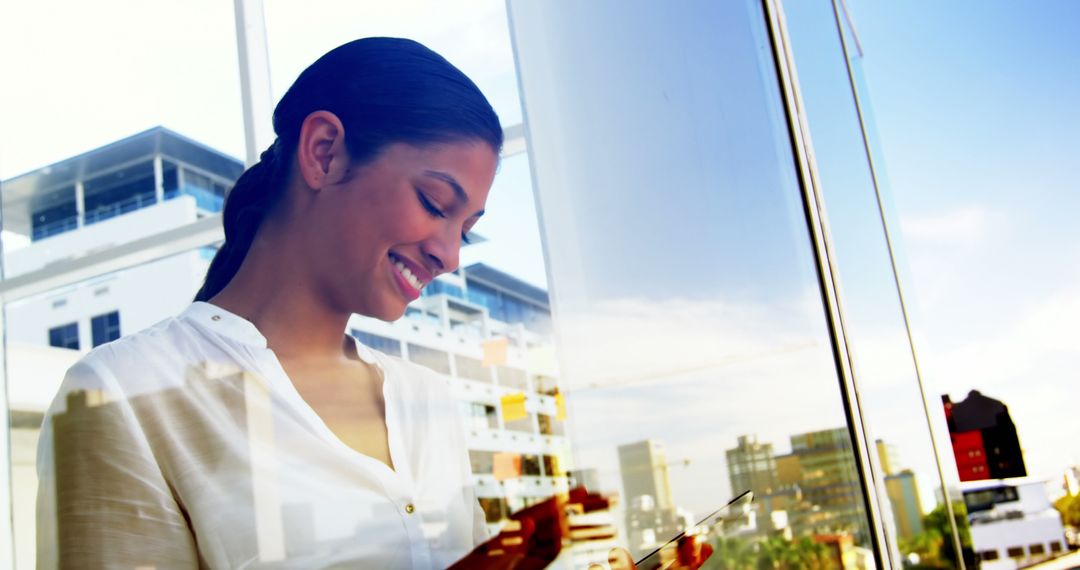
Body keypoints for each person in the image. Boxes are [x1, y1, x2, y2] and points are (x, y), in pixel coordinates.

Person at [35, 36, 712, 569]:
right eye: (435, 204)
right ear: (325, 151)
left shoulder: (427, 400)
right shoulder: (123, 397)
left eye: (465, 230)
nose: (450, 254)